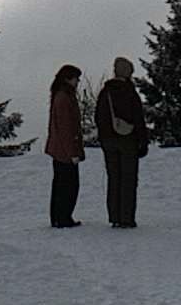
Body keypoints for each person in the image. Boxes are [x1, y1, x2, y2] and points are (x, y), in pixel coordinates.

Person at [94, 55, 149, 228]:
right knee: (128, 179)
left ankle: (114, 216)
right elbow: (138, 118)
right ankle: (127, 217)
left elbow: (99, 117)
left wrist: (104, 136)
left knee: (113, 178)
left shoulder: (106, 92)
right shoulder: (129, 92)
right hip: (128, 140)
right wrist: (143, 141)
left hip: (108, 141)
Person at [44, 64, 86, 227]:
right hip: (64, 151)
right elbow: (66, 128)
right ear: (68, 79)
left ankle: (59, 217)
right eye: (76, 78)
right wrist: (72, 153)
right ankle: (63, 217)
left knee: (61, 184)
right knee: (68, 185)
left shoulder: (60, 95)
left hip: (60, 150)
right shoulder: (64, 97)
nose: (78, 82)